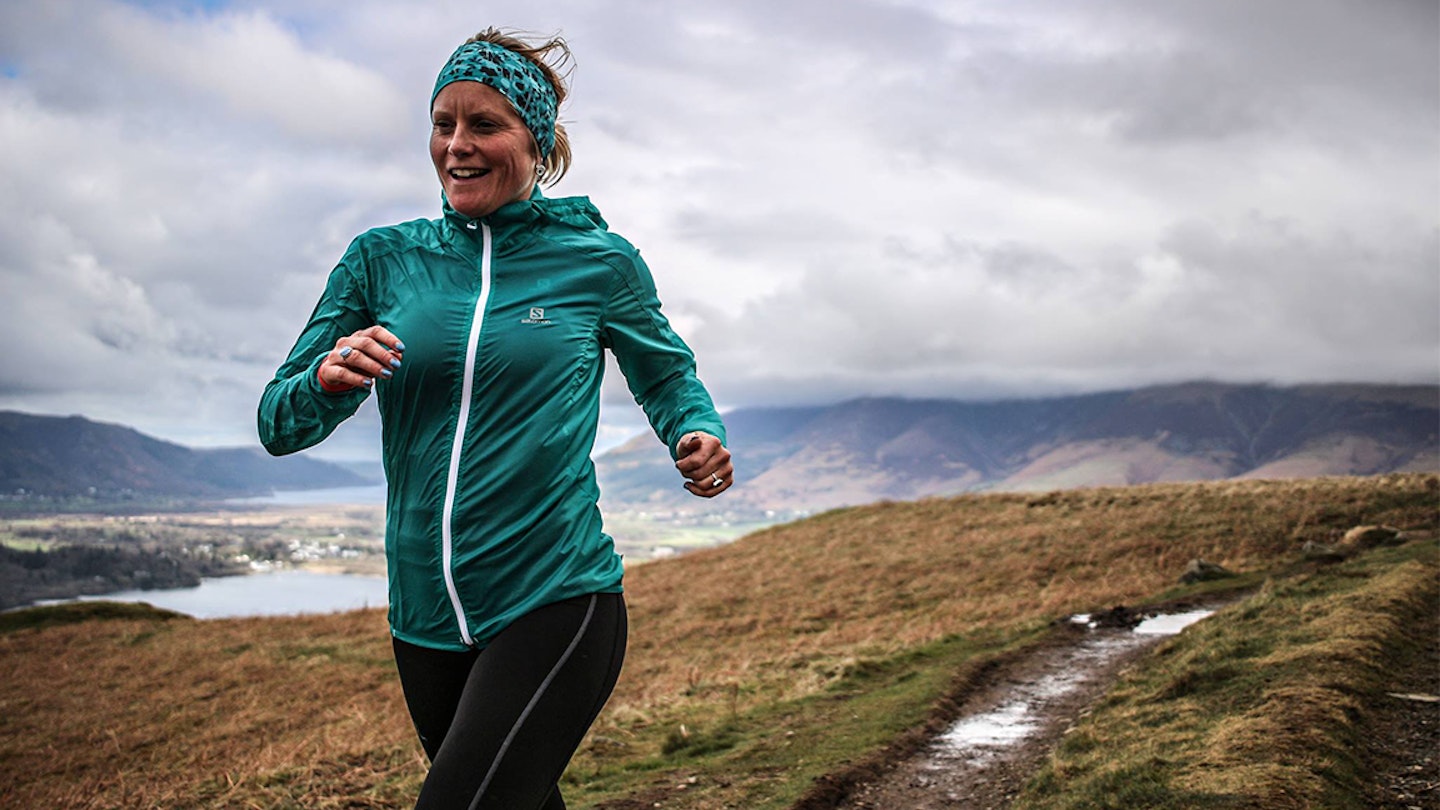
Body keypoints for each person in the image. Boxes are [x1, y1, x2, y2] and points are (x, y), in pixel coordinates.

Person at [257, 28, 732, 810]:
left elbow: (667, 374)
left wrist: (695, 430)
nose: (457, 146)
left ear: (536, 142)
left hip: (556, 595)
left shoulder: (599, 262)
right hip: (423, 619)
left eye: (485, 125)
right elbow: (279, 422)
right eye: (443, 124)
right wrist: (326, 378)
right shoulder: (380, 259)